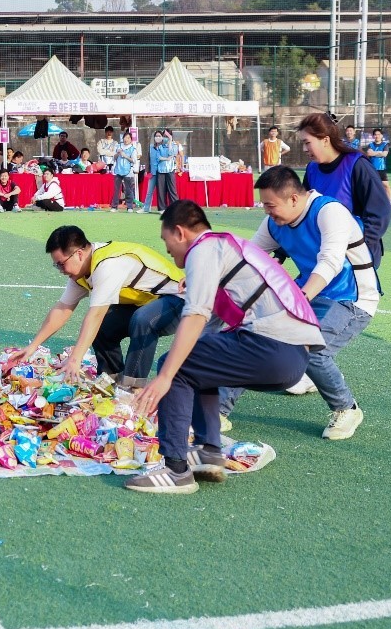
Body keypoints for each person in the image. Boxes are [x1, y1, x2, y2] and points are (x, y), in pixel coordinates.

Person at [125, 200, 325, 493]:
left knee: (176, 366)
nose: (166, 248)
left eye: (165, 240)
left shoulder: (202, 250)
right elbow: (208, 333)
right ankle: (208, 450)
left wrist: (165, 377)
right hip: (293, 355)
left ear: (179, 233)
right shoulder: (226, 247)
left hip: (273, 346)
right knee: (197, 364)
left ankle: (176, 470)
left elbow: (195, 314)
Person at [220, 166, 378, 439]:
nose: (267, 212)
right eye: (264, 206)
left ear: (293, 199)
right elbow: (248, 257)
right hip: (308, 294)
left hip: (352, 298)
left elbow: (330, 263)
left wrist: (298, 303)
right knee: (254, 335)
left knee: (312, 349)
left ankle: (347, 409)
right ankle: (217, 410)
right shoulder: (274, 222)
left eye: (270, 205)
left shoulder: (330, 212)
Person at [19, 225, 185, 388]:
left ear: (79, 254)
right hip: (147, 302)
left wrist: (75, 359)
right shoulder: (82, 270)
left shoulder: (108, 265)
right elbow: (63, 309)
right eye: (56, 265)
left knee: (143, 319)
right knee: (105, 325)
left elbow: (95, 315)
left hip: (179, 299)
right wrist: (33, 346)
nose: (60, 270)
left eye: (61, 264)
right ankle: (109, 381)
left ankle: (133, 388)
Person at [297, 112, 391, 269]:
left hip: (356, 258)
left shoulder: (357, 165)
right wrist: (280, 252)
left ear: (325, 140)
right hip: (326, 254)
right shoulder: (312, 169)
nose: (305, 149)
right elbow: (302, 210)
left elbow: (380, 212)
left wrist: (359, 246)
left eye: (307, 143)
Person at [149, 130, 179, 212]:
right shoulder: (160, 146)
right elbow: (158, 157)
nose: (166, 138)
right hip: (161, 170)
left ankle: (175, 208)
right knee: (161, 190)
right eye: (164, 136)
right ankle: (162, 208)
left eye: (167, 136)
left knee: (172, 190)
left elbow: (171, 153)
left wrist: (170, 142)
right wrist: (166, 158)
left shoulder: (174, 145)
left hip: (170, 169)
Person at [363, 128, 391, 205]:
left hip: (381, 168)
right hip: (372, 168)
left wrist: (375, 153)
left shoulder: (385, 144)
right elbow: (369, 154)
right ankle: (370, 202)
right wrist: (380, 153)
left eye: (378, 134)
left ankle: (390, 202)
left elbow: (384, 154)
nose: (377, 136)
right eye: (375, 134)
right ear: (373, 136)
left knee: (386, 185)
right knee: (371, 186)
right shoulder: (370, 145)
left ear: (381, 135)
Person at [113, 131, 139, 211]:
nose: (126, 139)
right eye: (125, 137)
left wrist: (125, 156)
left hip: (128, 171)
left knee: (128, 189)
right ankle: (114, 206)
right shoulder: (118, 146)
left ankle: (129, 206)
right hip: (118, 170)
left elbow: (134, 160)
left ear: (131, 140)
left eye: (128, 138)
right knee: (116, 189)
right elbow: (114, 157)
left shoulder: (132, 149)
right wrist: (118, 153)